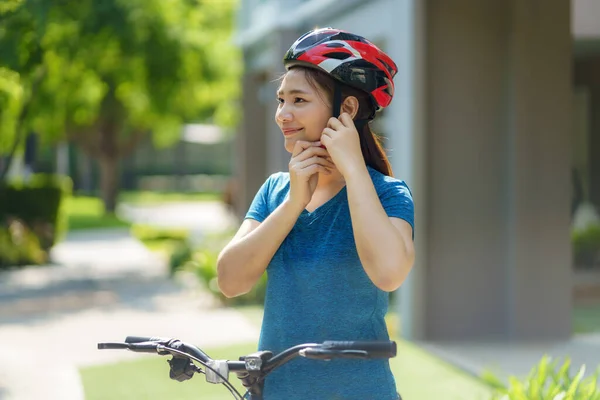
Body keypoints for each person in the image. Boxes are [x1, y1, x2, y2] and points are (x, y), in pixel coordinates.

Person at [217, 27, 415, 400]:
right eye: (281, 100)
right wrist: (293, 203)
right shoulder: (276, 191)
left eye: (299, 100)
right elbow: (230, 281)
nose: (282, 114)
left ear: (348, 108)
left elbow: (389, 273)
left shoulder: (389, 194)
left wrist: (354, 169)